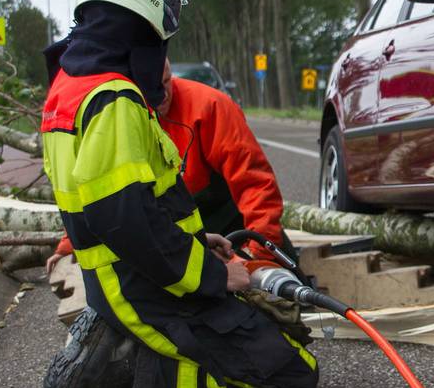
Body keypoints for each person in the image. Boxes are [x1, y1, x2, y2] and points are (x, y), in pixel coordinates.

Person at [39, 0, 317, 388]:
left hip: (131, 277)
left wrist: (200, 242)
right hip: (146, 288)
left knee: (278, 333)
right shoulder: (114, 99)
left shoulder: (68, 86)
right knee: (294, 378)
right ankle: (139, 372)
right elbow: (124, 219)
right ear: (146, 5)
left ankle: (131, 348)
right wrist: (216, 277)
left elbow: (113, 203)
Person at [45, 58, 297, 276]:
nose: (163, 94)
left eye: (166, 81)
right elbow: (91, 194)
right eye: (151, 87)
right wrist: (70, 244)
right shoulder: (112, 122)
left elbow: (254, 183)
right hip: (168, 239)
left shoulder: (209, 106)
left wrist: (259, 256)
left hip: (231, 229)